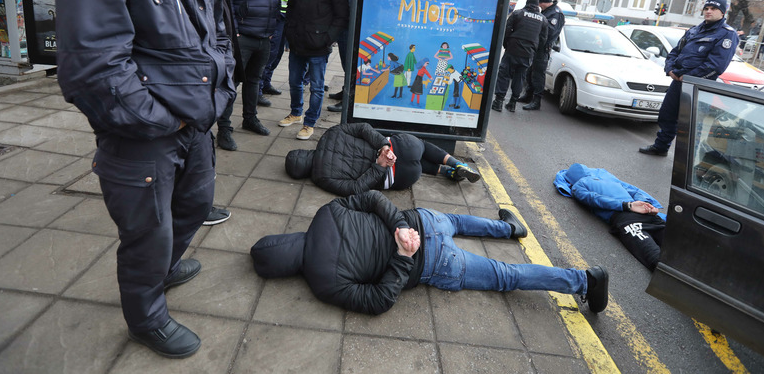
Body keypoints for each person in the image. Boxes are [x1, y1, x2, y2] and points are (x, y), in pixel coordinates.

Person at [52, 0, 236, 358]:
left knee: (195, 204)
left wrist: (217, 99)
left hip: (193, 122)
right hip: (144, 134)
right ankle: (145, 316)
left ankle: (167, 268)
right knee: (145, 234)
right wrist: (164, 121)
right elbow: (93, 69)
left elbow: (215, 36)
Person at [250, 190, 610, 315]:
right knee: (455, 219)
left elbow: (378, 301)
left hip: (431, 263)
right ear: (286, 237)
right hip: (423, 221)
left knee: (505, 275)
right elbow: (373, 198)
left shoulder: (322, 284)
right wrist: (399, 225)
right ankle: (509, 228)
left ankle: (585, 280)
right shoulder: (326, 213)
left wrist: (403, 255)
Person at [192, 0, 241, 224]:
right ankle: (193, 209)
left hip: (204, 82)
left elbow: (217, 23)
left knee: (200, 152)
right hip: (181, 85)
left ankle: (196, 208)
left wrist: (225, 68)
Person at [639, 0, 739, 156]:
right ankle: (661, 147)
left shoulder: (727, 34)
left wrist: (688, 77)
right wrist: (670, 69)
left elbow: (716, 65)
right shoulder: (694, 30)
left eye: (713, 9)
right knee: (667, 115)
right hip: (678, 81)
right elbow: (675, 52)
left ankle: (686, 159)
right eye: (706, 8)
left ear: (722, 12)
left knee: (691, 124)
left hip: (699, 85)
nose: (708, 11)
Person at [283, 122, 481, 195]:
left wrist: (379, 166)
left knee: (415, 166)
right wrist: (384, 147)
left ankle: (446, 172)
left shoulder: (321, 179)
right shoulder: (330, 134)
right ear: (304, 152)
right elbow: (363, 128)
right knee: (420, 147)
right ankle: (455, 164)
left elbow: (355, 189)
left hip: (399, 176)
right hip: (399, 148)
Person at [277, 0, 349, 140]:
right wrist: (290, 34)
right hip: (298, 42)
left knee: (316, 87)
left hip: (319, 46)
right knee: (294, 82)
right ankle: (296, 113)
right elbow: (290, 7)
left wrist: (327, 39)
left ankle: (309, 123)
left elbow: (341, 17)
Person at [217, 0, 282, 138]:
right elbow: (223, 0)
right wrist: (233, 33)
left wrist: (270, 29)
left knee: (254, 81)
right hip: (241, 37)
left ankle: (250, 118)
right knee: (232, 83)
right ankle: (224, 128)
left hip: (264, 36)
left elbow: (274, 0)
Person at [554, 164, 666, 271]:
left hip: (626, 218)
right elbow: (634, 191)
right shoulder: (609, 180)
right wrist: (646, 205)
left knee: (655, 258)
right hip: (645, 214)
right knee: (677, 245)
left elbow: (594, 199)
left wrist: (626, 206)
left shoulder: (578, 186)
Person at [492, 0, 548, 112]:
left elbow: (506, 30)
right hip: (528, 54)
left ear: (527, 3)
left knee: (504, 74)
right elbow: (543, 40)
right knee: (520, 77)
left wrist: (506, 45)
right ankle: (512, 103)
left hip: (512, 49)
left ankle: (498, 102)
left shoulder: (518, 14)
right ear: (537, 5)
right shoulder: (543, 19)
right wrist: (533, 50)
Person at [517, 0, 565, 110]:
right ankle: (528, 95)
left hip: (543, 48)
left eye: (540, 4)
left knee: (538, 75)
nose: (539, 6)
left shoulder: (555, 14)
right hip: (536, 46)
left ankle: (536, 101)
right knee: (530, 72)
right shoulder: (547, 12)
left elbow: (550, 32)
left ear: (543, 2)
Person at [328, 0, 356, 113]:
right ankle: (344, 91)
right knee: (346, 64)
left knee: (348, 65)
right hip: (345, 28)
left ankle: (347, 99)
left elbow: (349, 6)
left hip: (347, 29)